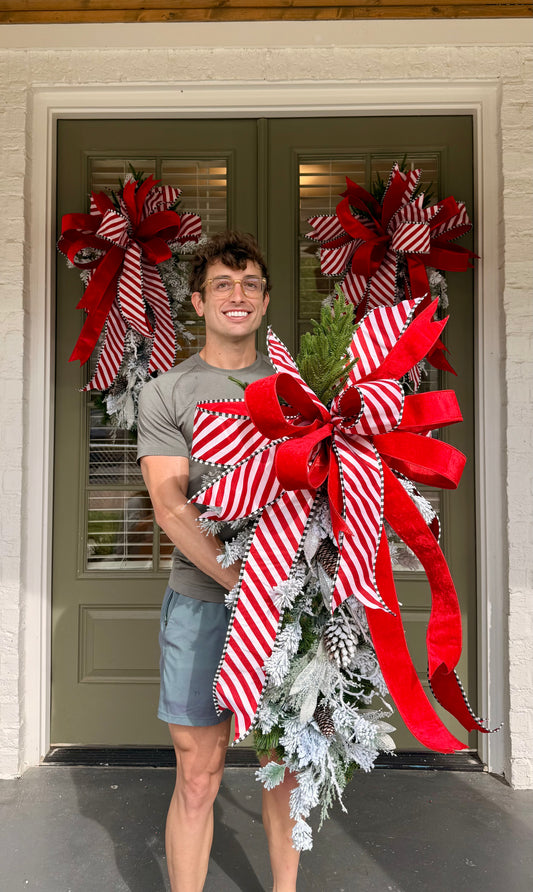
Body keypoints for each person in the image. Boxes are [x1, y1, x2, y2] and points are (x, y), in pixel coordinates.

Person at [137, 231, 300, 892]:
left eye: (250, 284)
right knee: (198, 774)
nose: (239, 295)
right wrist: (244, 583)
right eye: (223, 286)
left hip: (290, 609)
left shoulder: (293, 390)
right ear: (199, 304)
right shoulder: (168, 392)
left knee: (281, 767)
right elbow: (171, 505)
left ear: (264, 302)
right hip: (202, 605)